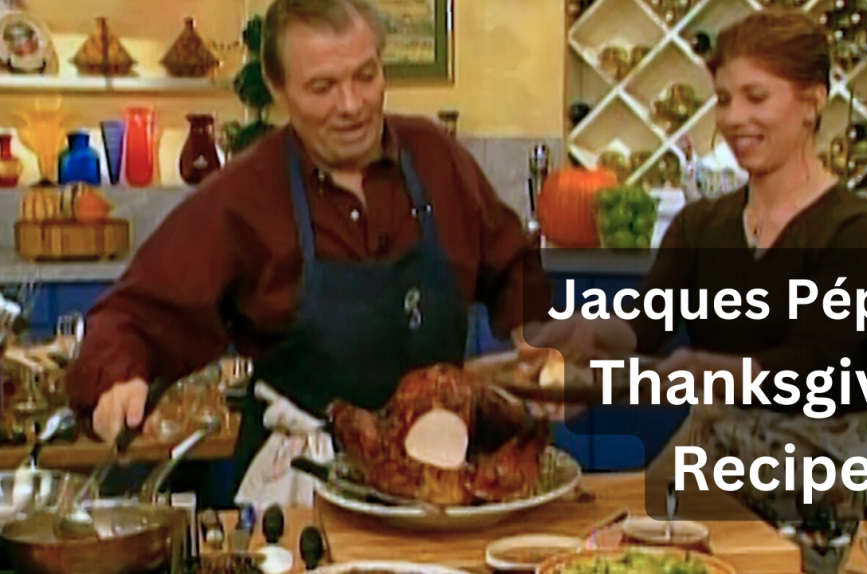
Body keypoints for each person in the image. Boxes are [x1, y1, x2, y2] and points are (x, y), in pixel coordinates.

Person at [65, 0, 550, 507]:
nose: (351, 104)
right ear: (279, 89)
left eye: (366, 75)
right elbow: (132, 314)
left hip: (440, 484)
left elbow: (513, 263)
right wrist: (117, 378)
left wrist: (540, 339)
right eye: (322, 87)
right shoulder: (243, 197)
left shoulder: (436, 158)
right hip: (303, 488)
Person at [529, 8, 867, 513]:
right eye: (724, 99)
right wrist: (589, 342)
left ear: (812, 102)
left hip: (830, 462)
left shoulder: (858, 230)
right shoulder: (699, 225)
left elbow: (814, 367)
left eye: (756, 97)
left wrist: (700, 371)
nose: (733, 118)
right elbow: (646, 326)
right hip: (714, 450)